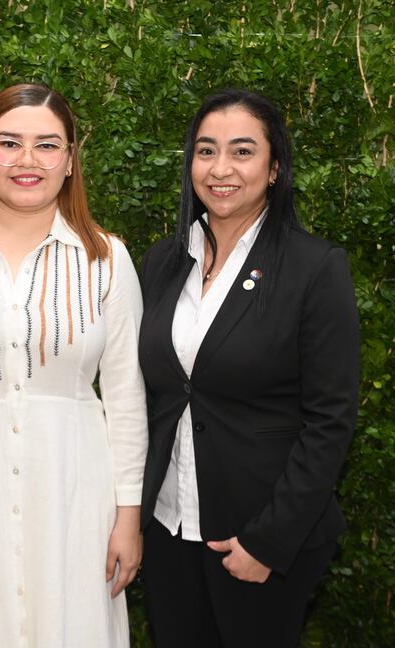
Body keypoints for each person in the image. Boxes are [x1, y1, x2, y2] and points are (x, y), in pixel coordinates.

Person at [0, 84, 148, 648]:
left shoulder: (105, 257)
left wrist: (128, 517)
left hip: (73, 490)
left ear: (69, 161)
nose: (27, 160)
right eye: (10, 143)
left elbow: (127, 396)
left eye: (47, 145)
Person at [137, 88, 360, 647]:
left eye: (242, 151)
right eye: (206, 151)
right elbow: (150, 396)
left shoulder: (315, 268)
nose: (220, 169)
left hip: (258, 540)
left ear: (274, 166)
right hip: (167, 530)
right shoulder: (164, 263)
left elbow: (330, 419)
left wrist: (270, 541)